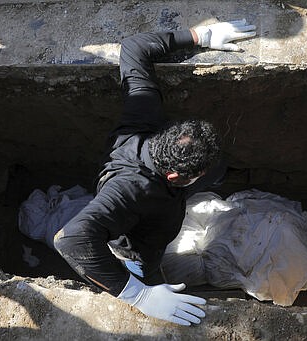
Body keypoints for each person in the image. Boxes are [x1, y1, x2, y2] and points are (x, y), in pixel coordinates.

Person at [53, 19, 256, 326]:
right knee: (152, 279)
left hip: (160, 210)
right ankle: (150, 284)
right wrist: (137, 294)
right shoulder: (128, 191)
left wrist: (199, 35)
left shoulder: (144, 117)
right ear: (177, 178)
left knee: (218, 172)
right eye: (201, 174)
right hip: (137, 250)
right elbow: (71, 240)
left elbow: (133, 47)